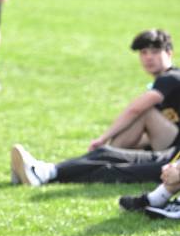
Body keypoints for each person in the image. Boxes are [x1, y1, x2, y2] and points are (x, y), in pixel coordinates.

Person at [11, 29, 180, 186]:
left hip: (174, 154)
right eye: (143, 52)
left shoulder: (170, 78)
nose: (149, 57)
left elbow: (134, 110)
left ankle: (45, 172)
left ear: (169, 53)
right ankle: (44, 171)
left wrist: (103, 138)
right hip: (168, 148)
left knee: (114, 161)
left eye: (155, 52)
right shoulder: (166, 82)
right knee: (109, 157)